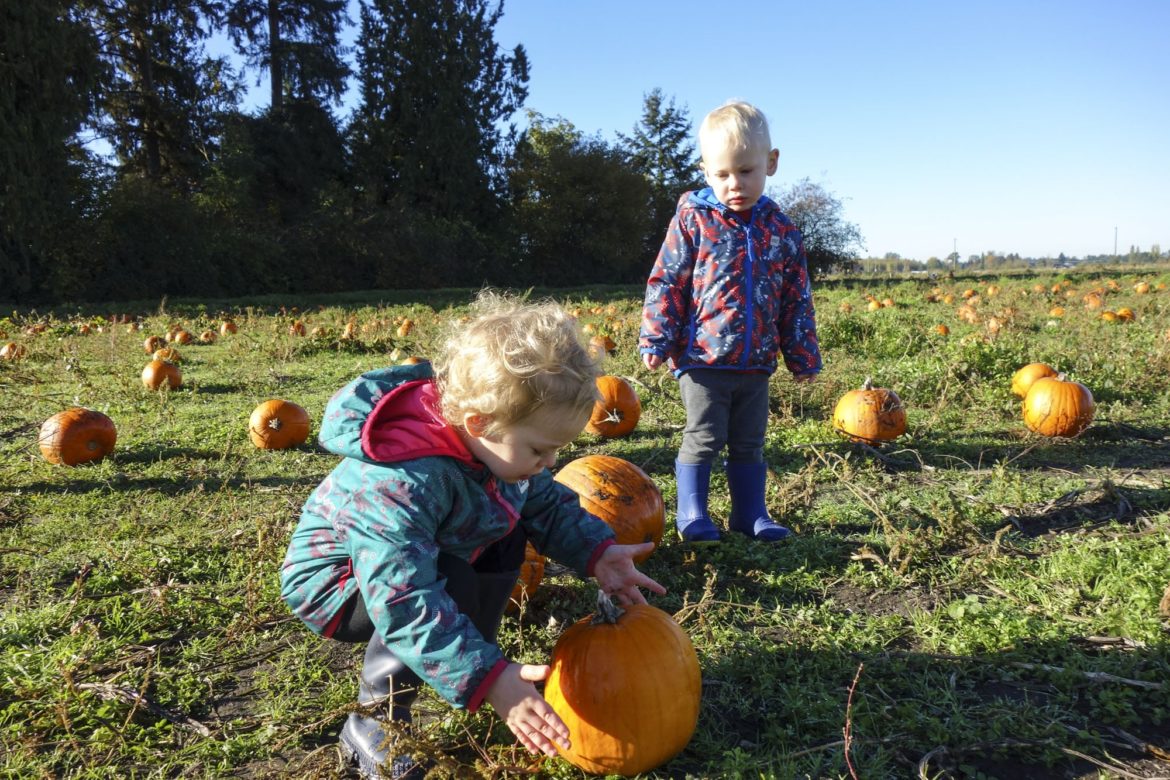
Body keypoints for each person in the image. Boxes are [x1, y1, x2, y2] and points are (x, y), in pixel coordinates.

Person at [281, 291, 665, 779]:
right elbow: (403, 597)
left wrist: (598, 552)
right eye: (540, 450)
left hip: (426, 558)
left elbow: (546, 503)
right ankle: (375, 721)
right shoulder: (400, 482)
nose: (550, 464)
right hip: (339, 585)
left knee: (507, 531)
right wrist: (488, 676)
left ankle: (467, 663)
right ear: (479, 422)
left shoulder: (499, 449)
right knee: (445, 582)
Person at [639, 100, 821, 544]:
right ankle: (692, 513)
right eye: (721, 174)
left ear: (770, 163)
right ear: (705, 171)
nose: (734, 184)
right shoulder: (693, 219)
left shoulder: (780, 229)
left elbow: (796, 296)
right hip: (702, 358)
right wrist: (657, 338)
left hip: (756, 361)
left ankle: (749, 513)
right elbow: (668, 280)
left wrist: (801, 355)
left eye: (745, 170)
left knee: (748, 442)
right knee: (703, 436)